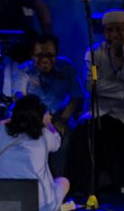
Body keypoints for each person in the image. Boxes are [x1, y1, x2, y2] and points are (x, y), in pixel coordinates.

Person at [71, 9, 124, 199]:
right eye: (109, 30)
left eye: (118, 29)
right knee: (85, 131)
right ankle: (89, 186)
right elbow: (91, 85)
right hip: (104, 110)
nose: (114, 35)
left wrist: (121, 62)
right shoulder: (94, 53)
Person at [0, 95, 71, 211]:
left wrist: (13, 119)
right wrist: (48, 124)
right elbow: (57, 143)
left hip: (5, 208)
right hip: (40, 210)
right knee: (63, 181)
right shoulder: (45, 136)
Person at [11, 34, 83, 175]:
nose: (45, 60)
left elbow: (77, 97)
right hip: (31, 116)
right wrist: (38, 116)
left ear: (57, 53)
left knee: (65, 137)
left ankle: (58, 180)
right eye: (39, 55)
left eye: (50, 55)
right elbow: (19, 96)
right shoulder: (24, 69)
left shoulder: (66, 67)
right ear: (32, 54)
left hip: (59, 115)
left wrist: (62, 121)